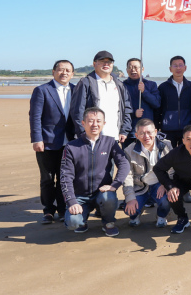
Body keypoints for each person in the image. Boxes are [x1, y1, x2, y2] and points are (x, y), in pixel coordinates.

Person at [60, 107, 130, 236]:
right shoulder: (71, 147)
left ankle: (108, 222)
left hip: (102, 193)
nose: (94, 124)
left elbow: (124, 163)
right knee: (73, 223)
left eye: (98, 121)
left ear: (104, 123)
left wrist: (115, 185)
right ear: (83, 123)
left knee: (109, 197)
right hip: (80, 196)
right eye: (91, 121)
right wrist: (72, 201)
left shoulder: (110, 142)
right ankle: (82, 220)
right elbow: (65, 177)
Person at [28, 59, 75, 224]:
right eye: (61, 69)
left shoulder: (76, 90)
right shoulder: (42, 90)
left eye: (68, 70)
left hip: (69, 142)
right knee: (47, 178)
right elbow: (35, 117)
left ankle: (62, 209)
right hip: (47, 142)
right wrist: (37, 139)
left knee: (64, 178)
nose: (64, 73)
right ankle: (48, 210)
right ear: (54, 72)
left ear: (72, 74)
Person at [70, 51, 132, 143]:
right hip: (92, 138)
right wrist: (84, 135)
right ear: (94, 64)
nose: (106, 64)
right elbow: (77, 111)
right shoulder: (85, 83)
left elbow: (127, 109)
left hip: (115, 137)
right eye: (102, 61)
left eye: (109, 62)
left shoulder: (119, 85)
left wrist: (124, 131)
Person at [121, 119, 172, 228]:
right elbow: (127, 176)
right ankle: (137, 212)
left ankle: (161, 215)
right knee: (129, 210)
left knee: (167, 200)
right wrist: (130, 198)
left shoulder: (166, 145)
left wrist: (165, 184)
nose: (146, 136)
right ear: (136, 135)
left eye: (149, 132)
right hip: (140, 186)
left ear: (155, 132)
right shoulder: (129, 151)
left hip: (159, 184)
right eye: (142, 133)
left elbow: (172, 169)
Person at [156, 55, 191, 151]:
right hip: (168, 129)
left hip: (187, 128)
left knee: (186, 155)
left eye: (180, 65)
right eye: (175, 65)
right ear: (170, 69)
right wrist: (157, 126)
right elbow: (158, 108)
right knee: (168, 155)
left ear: (185, 68)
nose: (178, 68)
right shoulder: (163, 87)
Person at [122, 58, 161, 148]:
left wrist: (144, 91)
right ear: (127, 70)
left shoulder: (151, 85)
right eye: (130, 67)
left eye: (136, 67)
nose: (133, 70)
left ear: (142, 69)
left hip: (147, 130)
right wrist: (133, 113)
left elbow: (157, 104)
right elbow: (119, 108)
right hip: (130, 130)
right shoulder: (122, 85)